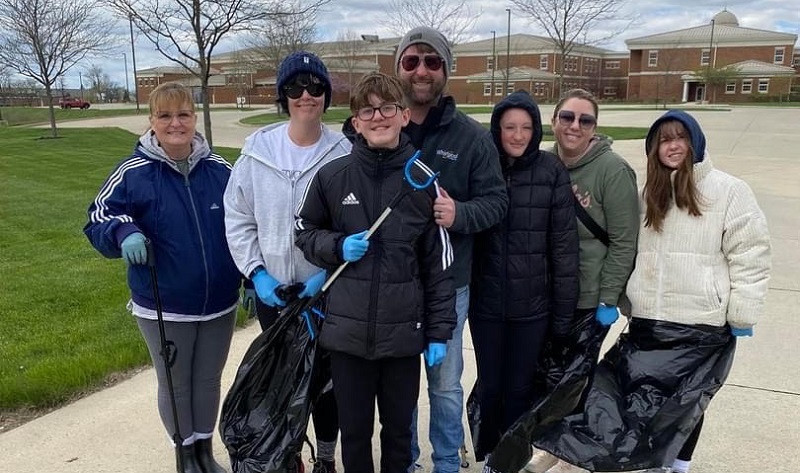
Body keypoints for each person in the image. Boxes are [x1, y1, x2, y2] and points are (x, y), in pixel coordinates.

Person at [295, 72, 456, 473]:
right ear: (355, 122)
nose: (378, 117)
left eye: (387, 108)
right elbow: (304, 230)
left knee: (399, 434)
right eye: (367, 110)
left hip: (402, 338)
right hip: (348, 339)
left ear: (404, 116)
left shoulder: (424, 184)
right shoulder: (333, 177)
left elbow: (439, 269)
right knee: (354, 433)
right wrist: (336, 246)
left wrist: (438, 333)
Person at [83, 82, 241, 473]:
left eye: (183, 114)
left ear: (195, 118)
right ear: (151, 121)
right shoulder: (133, 173)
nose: (175, 123)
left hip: (220, 301)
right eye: (165, 116)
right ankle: (185, 456)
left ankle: (205, 453)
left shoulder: (222, 171)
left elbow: (245, 223)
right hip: (164, 303)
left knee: (207, 380)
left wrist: (251, 273)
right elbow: (100, 215)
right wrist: (124, 232)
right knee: (176, 384)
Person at [223, 51, 350, 473]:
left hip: (325, 293)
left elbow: (353, 226)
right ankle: (288, 453)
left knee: (325, 382)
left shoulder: (344, 154)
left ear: (326, 96)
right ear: (283, 95)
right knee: (282, 379)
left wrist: (325, 277)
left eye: (315, 87)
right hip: (274, 293)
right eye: (295, 87)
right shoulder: (256, 153)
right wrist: (257, 276)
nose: (306, 95)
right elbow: (239, 220)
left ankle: (327, 459)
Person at [392, 26, 508, 473]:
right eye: (412, 61)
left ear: (446, 70)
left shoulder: (471, 138)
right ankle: (407, 461)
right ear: (398, 67)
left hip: (449, 285)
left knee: (443, 384)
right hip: (393, 287)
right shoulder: (381, 127)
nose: (422, 70)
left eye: (432, 61)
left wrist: (460, 214)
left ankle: (446, 462)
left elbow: (496, 201)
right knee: (400, 385)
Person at [630, 110, 770, 473]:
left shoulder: (729, 190)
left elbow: (750, 252)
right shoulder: (649, 194)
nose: (673, 146)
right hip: (652, 317)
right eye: (664, 139)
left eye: (680, 137)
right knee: (649, 399)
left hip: (701, 319)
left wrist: (742, 311)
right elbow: (633, 250)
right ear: (653, 149)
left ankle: (678, 465)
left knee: (689, 400)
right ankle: (651, 462)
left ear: (695, 142)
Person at [526, 88, 639, 473]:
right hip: (548, 295)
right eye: (567, 117)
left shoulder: (612, 170)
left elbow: (625, 240)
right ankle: (552, 446)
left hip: (591, 297)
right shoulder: (541, 163)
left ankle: (572, 457)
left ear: (594, 128)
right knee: (551, 377)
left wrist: (609, 298)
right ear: (554, 121)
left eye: (585, 120)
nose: (575, 126)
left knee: (578, 378)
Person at [468, 90, 580, 459]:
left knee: (519, 390)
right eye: (509, 127)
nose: (518, 135)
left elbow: (564, 250)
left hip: (532, 308)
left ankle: (510, 460)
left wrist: (562, 318)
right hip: (486, 305)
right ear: (496, 129)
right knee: (489, 387)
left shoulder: (551, 173)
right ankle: (487, 455)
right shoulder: (483, 168)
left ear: (536, 131)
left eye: (526, 127)